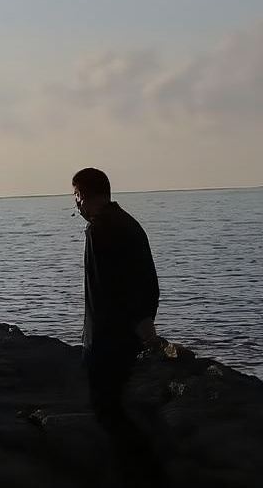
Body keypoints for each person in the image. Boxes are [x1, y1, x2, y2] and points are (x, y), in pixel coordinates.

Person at [73, 167, 164, 479]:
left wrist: (95, 342)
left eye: (76, 196)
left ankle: (144, 473)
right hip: (127, 333)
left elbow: (104, 290)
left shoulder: (99, 229)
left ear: (82, 195)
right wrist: (145, 323)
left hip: (108, 338)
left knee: (107, 409)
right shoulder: (128, 223)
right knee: (115, 407)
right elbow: (147, 283)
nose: (76, 205)